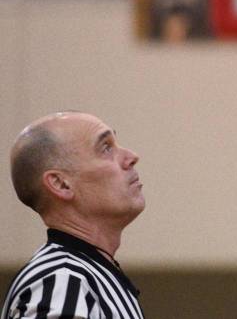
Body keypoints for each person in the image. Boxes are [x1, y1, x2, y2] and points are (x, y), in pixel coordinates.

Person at [3, 112, 146, 319]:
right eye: (106, 148)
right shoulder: (60, 281)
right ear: (61, 184)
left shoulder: (82, 275)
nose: (131, 157)